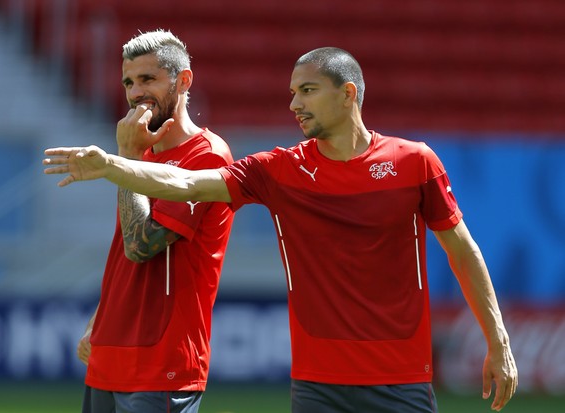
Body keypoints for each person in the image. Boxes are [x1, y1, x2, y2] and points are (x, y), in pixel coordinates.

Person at [44, 47, 518, 412]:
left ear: (348, 92)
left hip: (403, 379)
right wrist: (114, 165)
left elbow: (463, 251)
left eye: (307, 90)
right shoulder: (280, 170)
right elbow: (187, 181)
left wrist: (497, 342)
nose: (293, 103)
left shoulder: (415, 162)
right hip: (316, 386)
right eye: (292, 92)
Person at [69, 29, 234, 413]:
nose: (135, 92)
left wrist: (126, 156)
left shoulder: (206, 157)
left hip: (162, 364)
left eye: (148, 79)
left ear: (183, 80)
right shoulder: (143, 155)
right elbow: (126, 250)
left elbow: (141, 245)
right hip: (109, 356)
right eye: (129, 81)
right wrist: (101, 316)